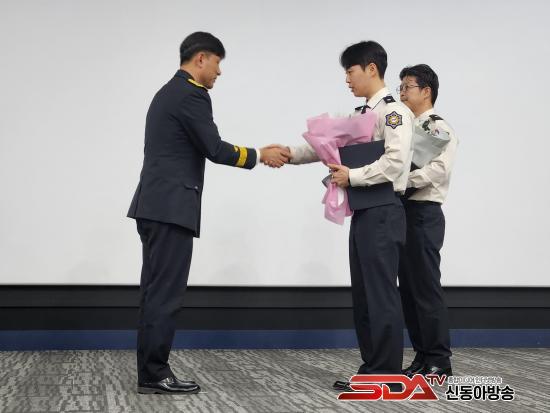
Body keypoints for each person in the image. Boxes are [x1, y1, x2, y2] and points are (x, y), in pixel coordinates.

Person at [127, 31, 289, 395]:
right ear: (201, 58)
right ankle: (154, 373)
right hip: (171, 209)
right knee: (165, 294)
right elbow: (214, 148)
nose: (219, 72)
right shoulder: (192, 94)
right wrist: (259, 155)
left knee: (153, 293)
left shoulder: (167, 92)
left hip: (153, 206)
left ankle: (150, 371)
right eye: (217, 63)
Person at [275, 41, 413, 390]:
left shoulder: (393, 112)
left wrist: (352, 176)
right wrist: (289, 153)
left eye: (350, 72)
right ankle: (372, 368)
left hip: (383, 209)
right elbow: (329, 147)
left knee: (380, 293)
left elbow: (396, 162)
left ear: (371, 68)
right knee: (364, 295)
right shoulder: (361, 114)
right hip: (364, 211)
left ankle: (387, 374)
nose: (347, 80)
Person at [397, 64, 458, 377]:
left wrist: (402, 180)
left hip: (424, 213)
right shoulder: (404, 128)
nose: (401, 93)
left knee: (425, 288)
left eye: (407, 87)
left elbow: (438, 170)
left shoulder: (437, 127)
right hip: (403, 213)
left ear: (426, 91)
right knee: (408, 290)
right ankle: (421, 355)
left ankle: (439, 360)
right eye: (400, 87)